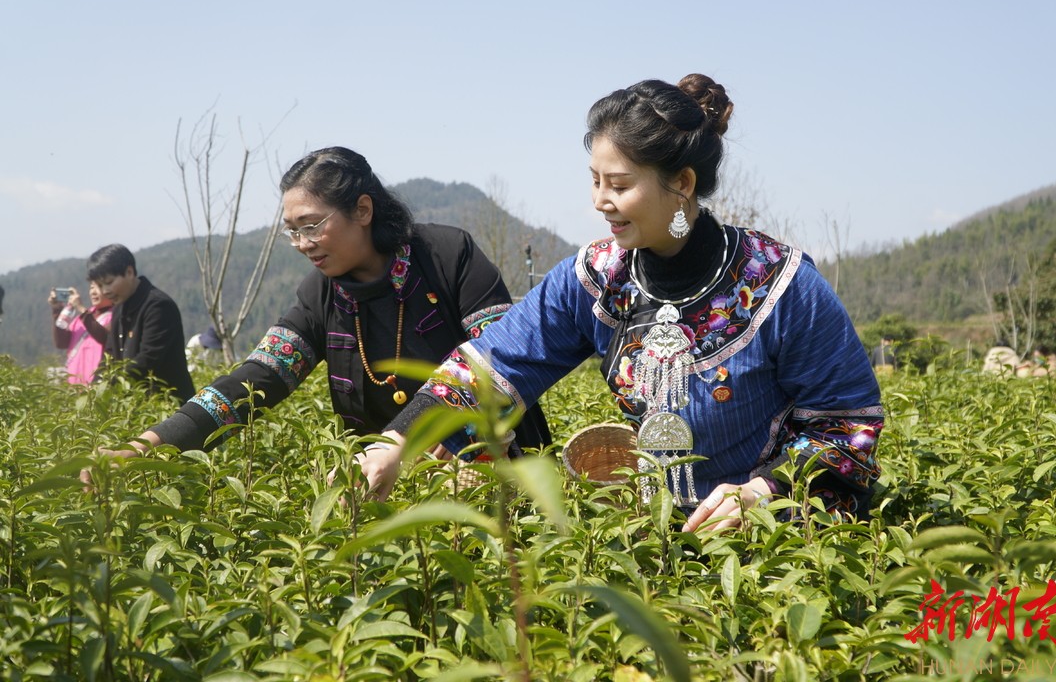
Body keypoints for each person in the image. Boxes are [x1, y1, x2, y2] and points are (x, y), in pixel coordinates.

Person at [363, 74, 883, 533]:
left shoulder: (780, 283)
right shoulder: (596, 277)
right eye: (594, 181)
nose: (599, 201)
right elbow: (491, 365)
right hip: (649, 538)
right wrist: (396, 442)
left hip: (771, 545)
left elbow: (847, 427)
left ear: (681, 184)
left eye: (619, 185)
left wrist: (759, 495)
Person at [89, 146, 549, 463]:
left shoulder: (448, 255)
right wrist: (147, 446)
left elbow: (502, 358)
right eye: (292, 231)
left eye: (311, 226)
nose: (301, 243)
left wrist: (433, 433)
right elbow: (258, 377)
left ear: (363, 211)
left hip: (489, 465)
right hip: (387, 480)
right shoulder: (321, 294)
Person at [88, 244, 195, 402]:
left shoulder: (158, 306)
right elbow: (109, 356)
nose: (105, 291)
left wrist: (109, 386)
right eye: (100, 285)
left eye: (109, 282)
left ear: (129, 272)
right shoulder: (119, 308)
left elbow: (147, 360)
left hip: (167, 406)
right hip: (135, 404)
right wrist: (94, 389)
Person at [49, 281, 114, 385]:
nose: (93, 292)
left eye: (99, 287)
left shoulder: (115, 316)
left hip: (98, 385)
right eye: (92, 288)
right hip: (75, 385)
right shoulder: (82, 318)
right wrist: (57, 310)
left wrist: (81, 308)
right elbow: (61, 343)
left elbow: (104, 336)